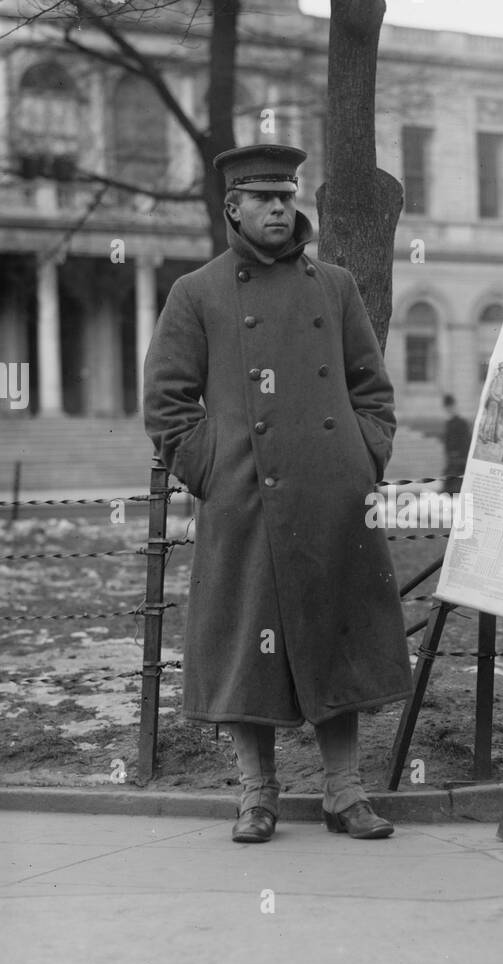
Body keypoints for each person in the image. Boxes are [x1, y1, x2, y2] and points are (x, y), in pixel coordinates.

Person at [143, 143, 413, 844]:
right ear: (232, 207)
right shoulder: (196, 292)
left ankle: (344, 792)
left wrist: (361, 457)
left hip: (331, 497)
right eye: (263, 198)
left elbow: (371, 392)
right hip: (248, 499)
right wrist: (218, 471)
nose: (279, 208)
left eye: (287, 197)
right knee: (247, 648)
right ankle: (257, 795)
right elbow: (168, 404)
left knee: (338, 639)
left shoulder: (337, 287)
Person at [442, 394, 471, 494]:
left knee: (457, 491)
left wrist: (462, 460)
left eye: (451, 407)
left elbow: (465, 443)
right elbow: (447, 444)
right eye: (448, 407)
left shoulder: (462, 423)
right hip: (452, 464)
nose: (450, 409)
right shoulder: (448, 424)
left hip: (460, 464)